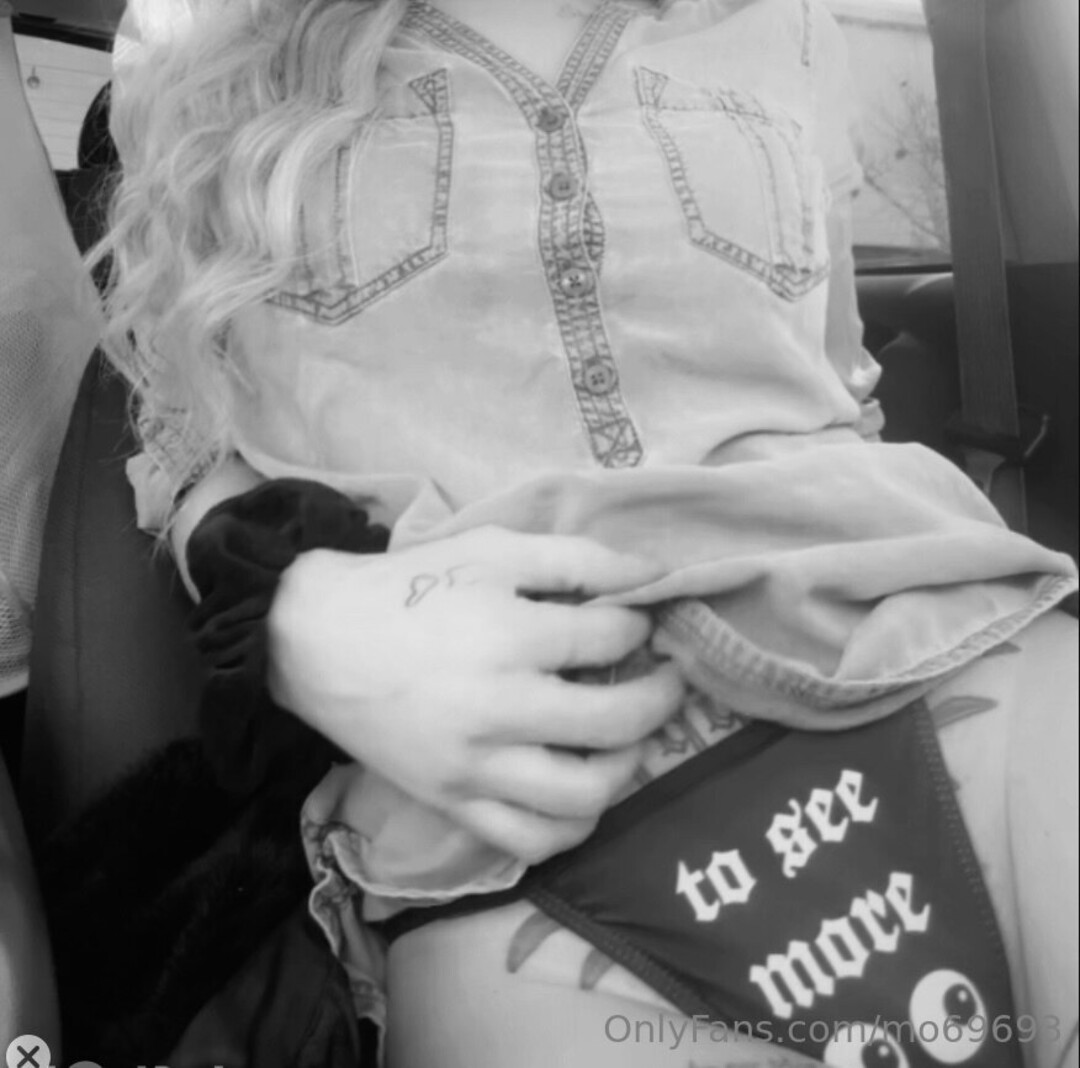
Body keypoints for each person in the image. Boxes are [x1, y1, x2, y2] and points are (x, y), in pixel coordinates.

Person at [100, 1, 1078, 1066]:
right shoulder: (199, 32)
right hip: (509, 813)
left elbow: (837, 384)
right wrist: (298, 619)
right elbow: (184, 445)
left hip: (934, 651)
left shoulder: (793, 22)